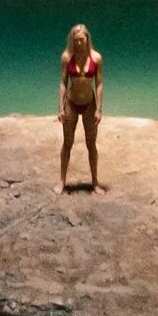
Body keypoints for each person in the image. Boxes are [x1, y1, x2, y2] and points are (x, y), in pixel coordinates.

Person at [59, 22, 103, 190]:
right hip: (71, 102)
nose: (78, 43)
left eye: (81, 40)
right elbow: (63, 83)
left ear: (87, 39)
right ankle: (62, 181)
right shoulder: (66, 57)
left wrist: (99, 109)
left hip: (89, 104)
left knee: (91, 144)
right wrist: (60, 107)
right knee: (67, 143)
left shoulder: (96, 58)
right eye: (75, 40)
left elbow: (99, 84)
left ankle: (95, 182)